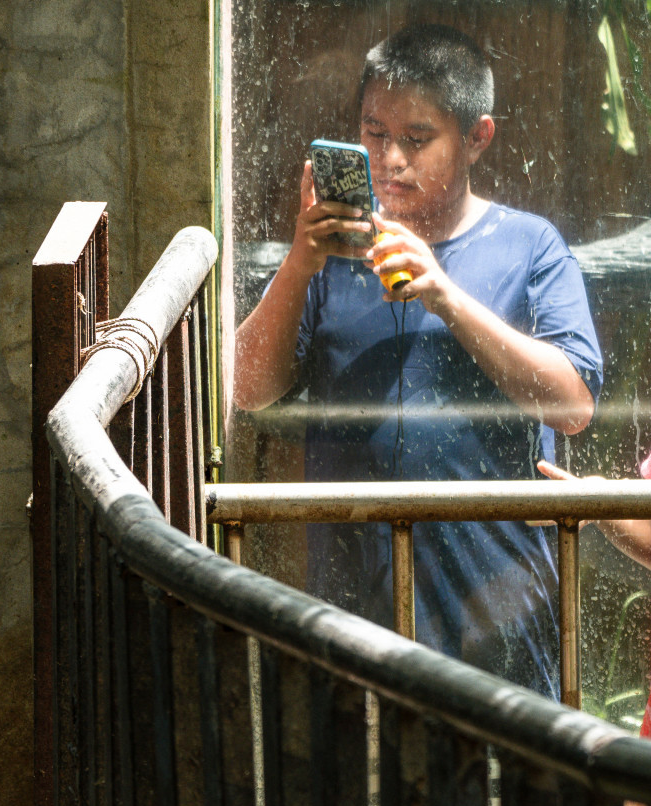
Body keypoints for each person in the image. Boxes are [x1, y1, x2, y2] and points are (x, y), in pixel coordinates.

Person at [233, 22, 602, 697]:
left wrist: (443, 295)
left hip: (500, 605)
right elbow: (246, 388)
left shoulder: (529, 248)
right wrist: (299, 262)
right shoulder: (331, 257)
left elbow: (574, 405)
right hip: (350, 612)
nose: (390, 160)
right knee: (358, 792)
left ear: (476, 139)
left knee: (500, 791)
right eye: (374, 133)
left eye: (415, 139)